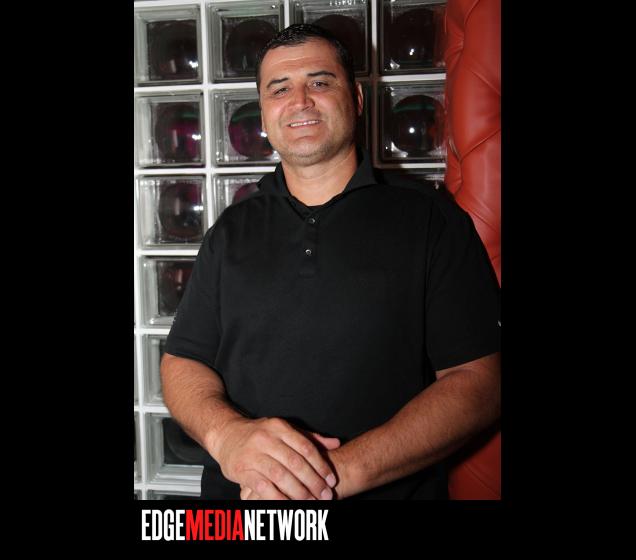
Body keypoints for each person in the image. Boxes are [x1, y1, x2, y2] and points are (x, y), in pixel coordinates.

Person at [160, 24, 501, 500]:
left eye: (320, 82)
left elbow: (479, 382)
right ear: (264, 111)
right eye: (279, 89)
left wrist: (329, 476)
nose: (299, 101)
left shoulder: (431, 219)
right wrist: (227, 437)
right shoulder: (230, 229)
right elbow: (182, 360)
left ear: (356, 99)